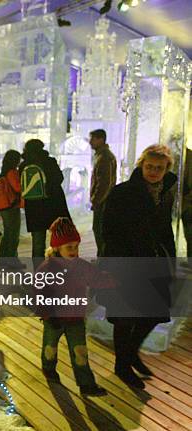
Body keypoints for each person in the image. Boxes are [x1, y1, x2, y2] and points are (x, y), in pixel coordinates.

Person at [100, 144, 177, 389]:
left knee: (154, 313)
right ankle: (122, 366)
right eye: (149, 166)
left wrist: (170, 260)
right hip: (126, 263)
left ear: (166, 170)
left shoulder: (164, 192)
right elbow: (108, 230)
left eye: (159, 168)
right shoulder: (123, 192)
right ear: (141, 165)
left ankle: (130, 353)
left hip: (153, 263)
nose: (154, 171)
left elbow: (165, 230)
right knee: (125, 317)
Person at [36, 217, 115, 397]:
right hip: (54, 320)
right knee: (50, 348)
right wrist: (47, 314)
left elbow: (96, 278)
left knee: (80, 353)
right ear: (56, 248)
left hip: (75, 319)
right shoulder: (47, 269)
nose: (73, 251)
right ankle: (48, 368)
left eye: (76, 246)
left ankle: (86, 384)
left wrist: (114, 279)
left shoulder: (81, 266)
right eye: (68, 247)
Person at [18, 139, 70, 262]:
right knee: (58, 240)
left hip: (34, 207)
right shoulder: (50, 161)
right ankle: (58, 270)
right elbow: (59, 178)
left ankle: (39, 274)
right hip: (53, 204)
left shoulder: (23, 165)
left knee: (38, 243)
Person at [89, 129, 117, 257]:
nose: (90, 142)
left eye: (93, 139)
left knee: (100, 230)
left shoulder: (105, 157)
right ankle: (102, 257)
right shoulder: (102, 155)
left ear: (101, 140)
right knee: (99, 230)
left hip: (103, 202)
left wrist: (96, 200)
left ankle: (103, 259)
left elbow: (104, 183)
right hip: (103, 201)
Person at [0, 150, 24, 268]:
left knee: (8, 233)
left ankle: (2, 259)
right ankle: (11, 260)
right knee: (13, 234)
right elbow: (17, 188)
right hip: (11, 206)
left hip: (5, 206)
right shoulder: (11, 172)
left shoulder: (4, 172)